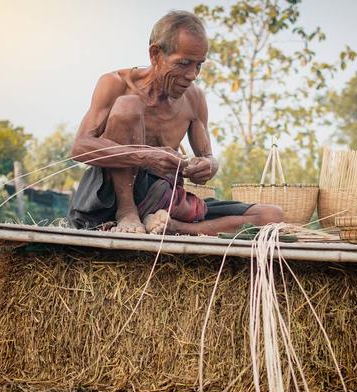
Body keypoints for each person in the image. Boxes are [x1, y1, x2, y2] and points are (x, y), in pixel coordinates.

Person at [68, 10, 283, 235]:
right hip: (106, 201)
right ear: (155, 55)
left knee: (271, 216)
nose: (192, 75)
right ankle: (127, 212)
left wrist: (207, 166)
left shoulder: (195, 98)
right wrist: (145, 156)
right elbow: (80, 147)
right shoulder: (115, 84)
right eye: (184, 64)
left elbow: (208, 158)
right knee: (128, 106)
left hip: (163, 202)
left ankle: (172, 227)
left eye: (199, 65)